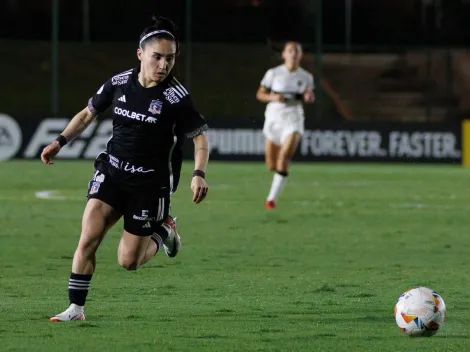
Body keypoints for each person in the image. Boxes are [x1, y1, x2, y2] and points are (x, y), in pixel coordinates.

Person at [41, 16, 210, 322]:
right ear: (140, 54)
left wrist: (199, 174)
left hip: (150, 184)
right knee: (88, 236)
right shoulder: (119, 82)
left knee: (128, 261)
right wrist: (60, 141)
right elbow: (87, 113)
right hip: (113, 171)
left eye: (170, 59)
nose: (163, 65)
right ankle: (75, 309)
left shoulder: (176, 98)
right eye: (157, 57)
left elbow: (199, 138)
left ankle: (165, 230)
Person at [256, 41, 314, 209]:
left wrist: (309, 98)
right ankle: (277, 182)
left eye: (297, 51)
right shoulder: (273, 74)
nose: (293, 53)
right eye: (290, 50)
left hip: (293, 119)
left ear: (300, 55)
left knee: (283, 160)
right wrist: (274, 98)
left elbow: (308, 96)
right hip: (274, 118)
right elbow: (260, 94)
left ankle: (271, 200)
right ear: (284, 54)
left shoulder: (306, 77)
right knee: (271, 165)